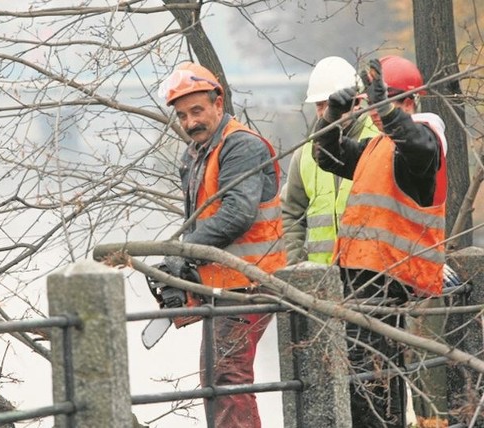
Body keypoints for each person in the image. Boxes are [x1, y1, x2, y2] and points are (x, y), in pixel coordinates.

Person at [312, 55, 448, 428]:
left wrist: (385, 110)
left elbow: (418, 147)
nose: (374, 113)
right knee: (365, 380)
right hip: (361, 282)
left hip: (389, 286)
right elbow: (325, 155)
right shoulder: (377, 147)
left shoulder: (424, 140)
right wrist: (331, 119)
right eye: (372, 104)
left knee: (374, 382)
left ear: (408, 102)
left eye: (383, 103)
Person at [157, 61, 287, 428]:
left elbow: (237, 214)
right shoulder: (199, 152)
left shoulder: (240, 146)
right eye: (182, 116)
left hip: (248, 281)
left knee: (228, 377)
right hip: (224, 282)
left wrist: (182, 253)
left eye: (197, 111)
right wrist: (183, 264)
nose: (190, 122)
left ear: (219, 101)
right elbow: (205, 219)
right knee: (216, 379)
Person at [281, 56, 379, 265]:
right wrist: (296, 265)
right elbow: (290, 214)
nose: (326, 112)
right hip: (321, 281)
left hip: (371, 277)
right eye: (320, 105)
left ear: (356, 102)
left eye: (331, 104)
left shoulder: (378, 140)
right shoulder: (306, 153)